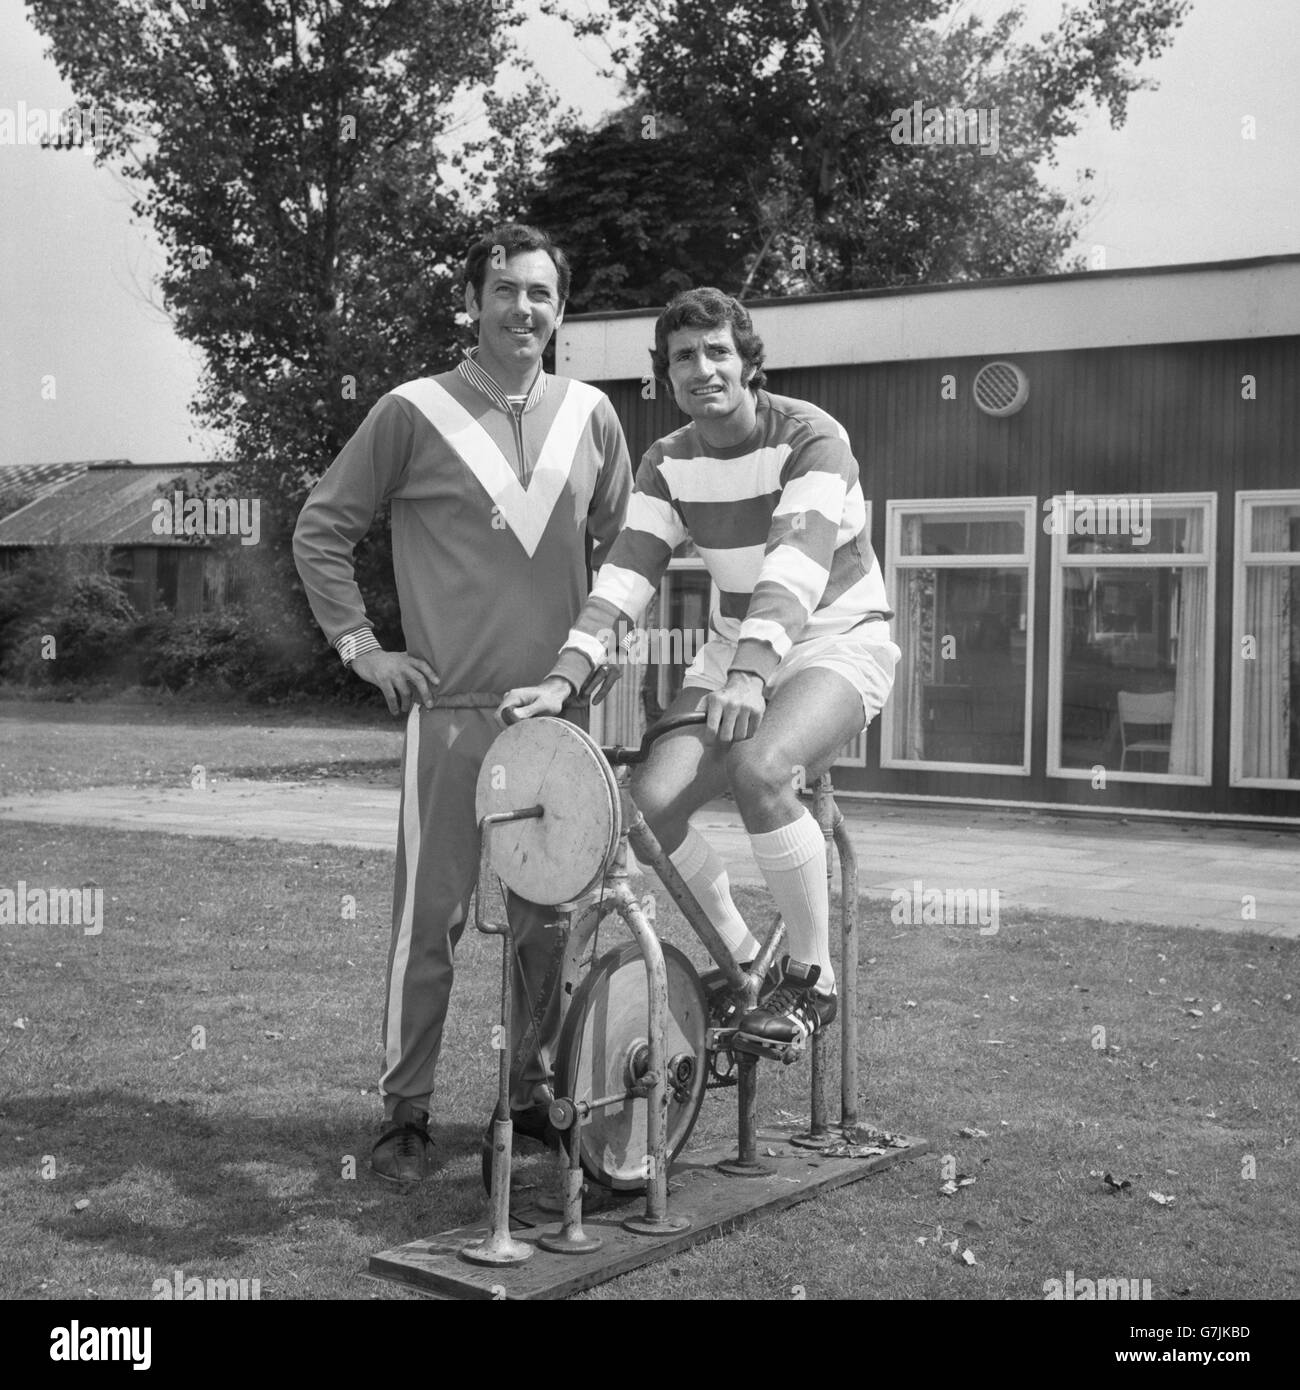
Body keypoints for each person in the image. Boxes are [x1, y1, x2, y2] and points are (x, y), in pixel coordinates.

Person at [293, 224, 632, 1184]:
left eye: (541, 294)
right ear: (472, 301)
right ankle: (405, 1115)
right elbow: (322, 528)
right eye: (505, 291)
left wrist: (603, 651)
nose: (523, 310)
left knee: (548, 920)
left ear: (560, 308)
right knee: (428, 921)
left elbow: (630, 555)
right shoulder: (411, 410)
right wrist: (364, 650)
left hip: (558, 719)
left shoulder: (592, 415)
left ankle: (530, 1097)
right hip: (447, 716)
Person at [502, 287, 897, 1047]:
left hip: (836, 639)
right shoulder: (669, 460)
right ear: (668, 374)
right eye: (683, 357)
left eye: (718, 351)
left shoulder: (812, 437)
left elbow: (796, 565)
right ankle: (743, 962)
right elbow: (625, 575)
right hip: (734, 650)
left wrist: (751, 673)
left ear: (750, 363)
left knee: (761, 768)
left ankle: (812, 981)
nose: (702, 368)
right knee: (647, 808)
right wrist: (564, 676)